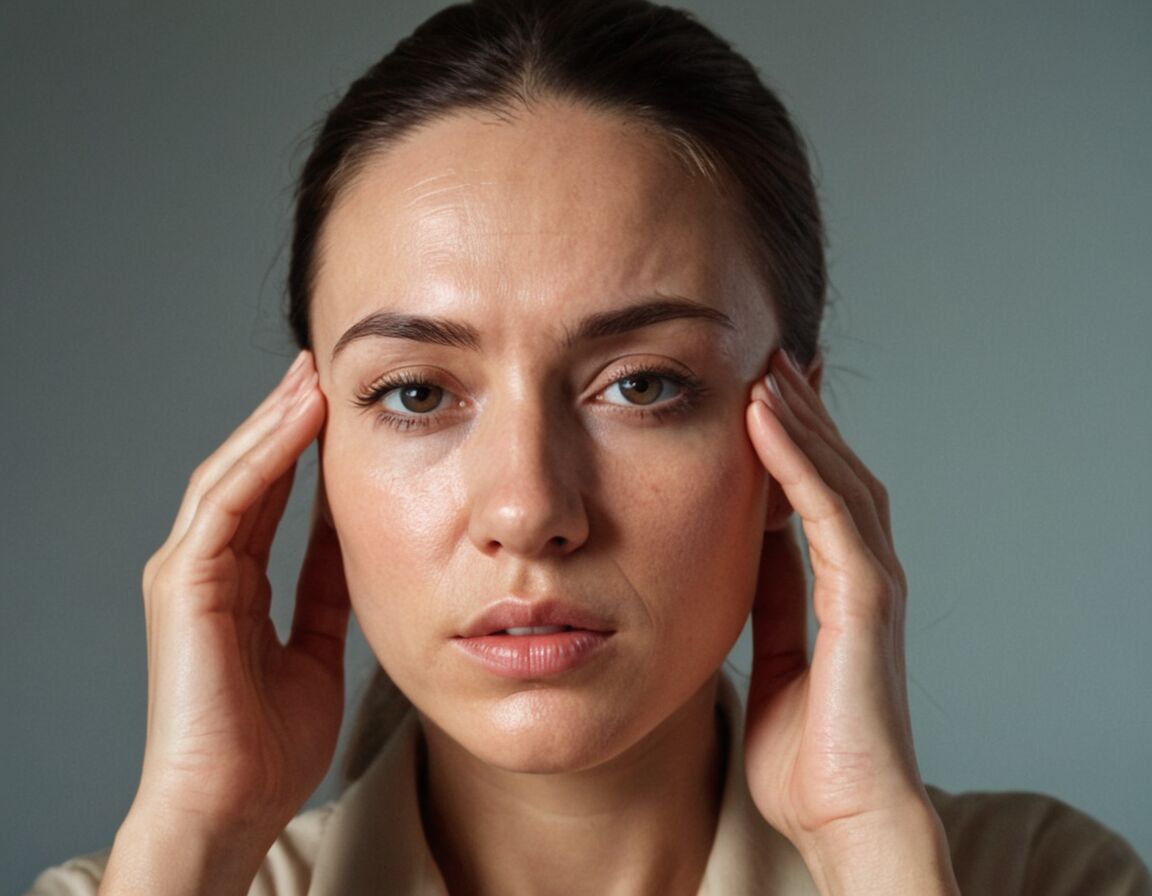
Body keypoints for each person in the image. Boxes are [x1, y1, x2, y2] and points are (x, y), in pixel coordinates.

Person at [29, 1, 1151, 893]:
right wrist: (197, 841)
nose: (528, 507)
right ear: (307, 444)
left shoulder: (1041, 878)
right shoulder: (138, 885)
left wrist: (871, 852)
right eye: (417, 391)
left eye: (644, 384)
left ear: (795, 442)